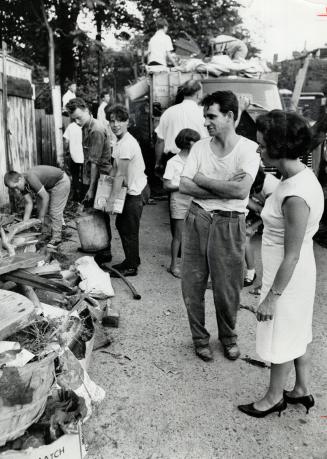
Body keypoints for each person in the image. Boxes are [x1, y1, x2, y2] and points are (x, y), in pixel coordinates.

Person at [238, 110, 324, 418]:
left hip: (288, 276)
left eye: (262, 146)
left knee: (282, 334)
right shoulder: (295, 177)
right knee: (297, 330)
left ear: (279, 147)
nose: (259, 151)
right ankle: (302, 388)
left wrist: (272, 297)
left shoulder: (296, 195)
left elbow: (292, 253)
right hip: (291, 272)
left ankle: (274, 397)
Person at [179, 90, 260, 362]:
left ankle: (228, 338)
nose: (206, 122)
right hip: (197, 217)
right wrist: (222, 189)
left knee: (227, 289)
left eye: (211, 116)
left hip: (230, 223)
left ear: (229, 116)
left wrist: (202, 179)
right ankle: (199, 338)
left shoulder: (249, 149)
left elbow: (240, 191)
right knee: (192, 285)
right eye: (205, 116)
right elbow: (184, 185)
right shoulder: (200, 147)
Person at [66, 97, 112, 262]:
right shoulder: (85, 126)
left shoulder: (96, 129)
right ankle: (95, 243)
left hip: (101, 178)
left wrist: (91, 188)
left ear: (86, 110)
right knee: (94, 211)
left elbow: (95, 163)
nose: (77, 122)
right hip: (92, 177)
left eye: (79, 117)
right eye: (74, 119)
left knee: (100, 213)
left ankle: (105, 249)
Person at [106, 104, 150, 277]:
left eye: (120, 121)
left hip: (135, 192)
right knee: (124, 225)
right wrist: (105, 183)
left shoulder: (126, 144)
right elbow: (115, 168)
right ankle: (133, 258)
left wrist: (110, 200)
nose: (116, 124)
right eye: (112, 121)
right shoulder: (120, 141)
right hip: (135, 188)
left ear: (127, 122)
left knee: (127, 227)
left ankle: (131, 266)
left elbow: (120, 175)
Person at [163, 128, 200, 278]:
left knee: (194, 234)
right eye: (195, 141)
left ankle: (189, 265)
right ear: (187, 142)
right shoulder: (173, 162)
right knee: (178, 235)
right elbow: (166, 185)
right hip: (179, 200)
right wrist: (182, 186)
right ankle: (173, 265)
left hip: (194, 199)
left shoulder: (196, 161)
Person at [4, 166, 70, 248]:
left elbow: (45, 197)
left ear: (20, 179)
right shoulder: (22, 183)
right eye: (13, 189)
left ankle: (56, 239)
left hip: (60, 183)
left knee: (54, 211)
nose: (16, 191)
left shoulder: (31, 178)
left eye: (16, 187)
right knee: (41, 209)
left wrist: (41, 216)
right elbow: (28, 203)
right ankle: (46, 233)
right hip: (47, 186)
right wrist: (24, 224)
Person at [155, 79, 209, 174]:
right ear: (198, 94)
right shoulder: (205, 113)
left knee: (171, 187)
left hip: (172, 159)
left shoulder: (168, 112)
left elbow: (160, 141)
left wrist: (158, 163)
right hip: (198, 161)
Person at [244, 167, 279, 287]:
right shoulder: (249, 179)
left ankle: (273, 284)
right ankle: (251, 273)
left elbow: (270, 214)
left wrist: (252, 227)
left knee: (273, 247)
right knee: (244, 238)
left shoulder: (271, 187)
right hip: (262, 208)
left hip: (277, 215)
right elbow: (245, 198)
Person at [63, 121, 84, 201]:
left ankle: (75, 195)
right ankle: (82, 196)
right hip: (84, 156)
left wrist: (66, 151)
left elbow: (66, 142)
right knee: (83, 177)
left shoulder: (70, 126)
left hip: (74, 156)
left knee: (74, 176)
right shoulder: (85, 125)